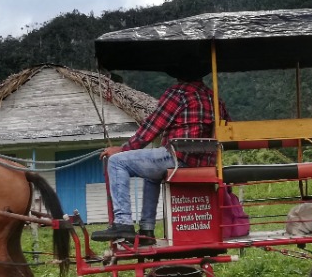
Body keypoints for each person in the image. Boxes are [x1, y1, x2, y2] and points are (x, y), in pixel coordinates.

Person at [92, 70, 230, 243]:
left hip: (179, 158)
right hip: (204, 162)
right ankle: (146, 230)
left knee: (116, 162)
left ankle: (123, 223)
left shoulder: (178, 94)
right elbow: (226, 130)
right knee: (152, 175)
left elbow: (152, 128)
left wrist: (123, 149)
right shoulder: (215, 99)